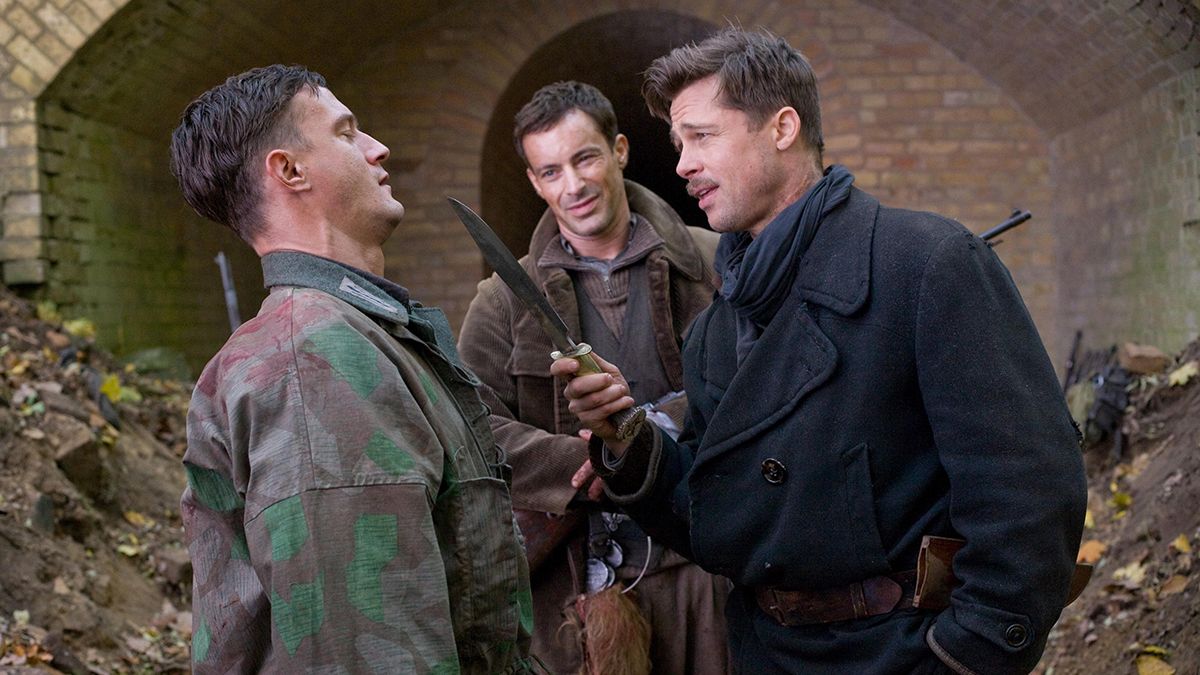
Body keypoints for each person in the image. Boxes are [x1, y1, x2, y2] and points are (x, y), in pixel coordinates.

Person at [553, 29, 1087, 674]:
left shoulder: (925, 264)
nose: (683, 166)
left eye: (702, 137)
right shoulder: (718, 329)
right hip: (768, 654)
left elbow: (1029, 492)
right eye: (679, 144)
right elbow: (719, 521)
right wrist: (631, 442)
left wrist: (964, 656)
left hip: (902, 656)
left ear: (783, 128)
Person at [171, 65, 533, 673]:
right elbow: (367, 652)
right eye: (346, 132)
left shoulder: (356, 334)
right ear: (290, 170)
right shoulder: (312, 361)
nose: (377, 147)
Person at [458, 81, 729, 674]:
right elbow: (471, 426)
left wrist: (649, 432)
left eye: (585, 159)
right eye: (551, 171)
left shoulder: (716, 262)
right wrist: (583, 463)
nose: (573, 185)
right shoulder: (501, 301)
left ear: (619, 151)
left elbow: (760, 378)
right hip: (582, 586)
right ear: (535, 183)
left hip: (705, 572)